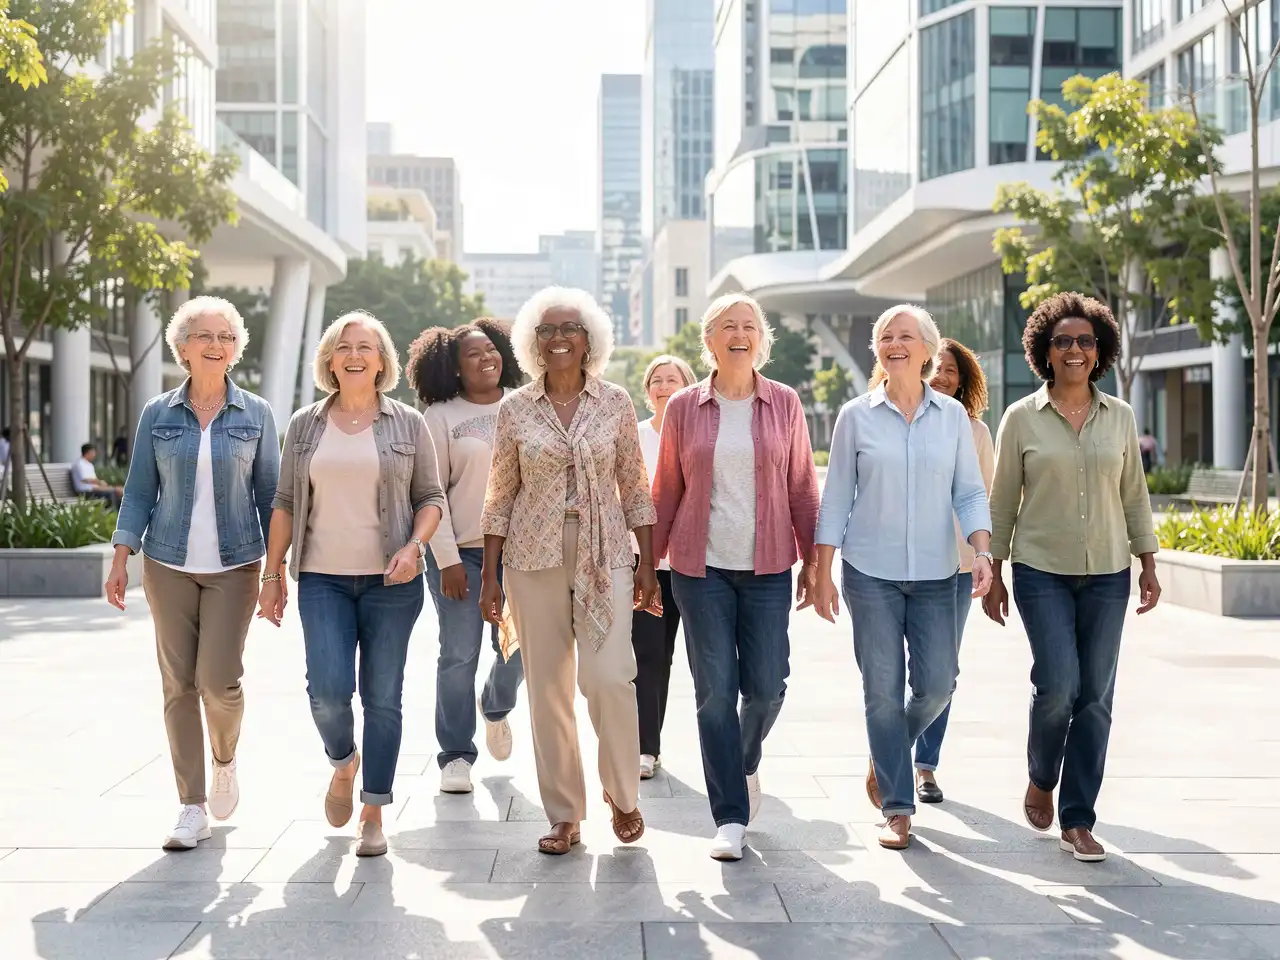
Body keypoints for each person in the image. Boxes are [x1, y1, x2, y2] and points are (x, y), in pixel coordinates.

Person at [479, 285, 659, 857]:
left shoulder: (615, 403)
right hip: (531, 556)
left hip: (605, 552)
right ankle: (564, 814)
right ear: (533, 342)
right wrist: (488, 577)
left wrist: (648, 564)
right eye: (547, 330)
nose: (558, 338)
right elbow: (499, 495)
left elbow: (635, 486)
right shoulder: (514, 409)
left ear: (589, 340)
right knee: (548, 689)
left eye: (570, 329)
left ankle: (622, 794)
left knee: (610, 678)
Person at [258, 310, 445, 859]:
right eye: (344, 347)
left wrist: (415, 547)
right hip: (323, 580)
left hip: (393, 582)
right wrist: (272, 573)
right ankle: (343, 762)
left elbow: (430, 498)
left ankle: (374, 811)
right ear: (330, 360)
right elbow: (285, 501)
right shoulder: (305, 424)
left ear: (382, 361)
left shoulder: (408, 423)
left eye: (365, 346)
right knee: (328, 691)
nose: (355, 355)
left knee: (383, 697)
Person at [982, 291, 1161, 864]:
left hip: (1109, 571)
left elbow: (1134, 494)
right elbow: (1002, 500)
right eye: (1063, 341)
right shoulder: (1020, 418)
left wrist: (1148, 560)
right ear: (1046, 350)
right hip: (1041, 570)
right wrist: (995, 571)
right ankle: (1042, 775)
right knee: (1059, 685)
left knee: (1097, 697)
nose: (1075, 350)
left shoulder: (1121, 416)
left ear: (1100, 349)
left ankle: (1078, 818)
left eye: (1085, 340)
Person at [811, 304, 992, 851]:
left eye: (906, 336)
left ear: (927, 350)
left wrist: (983, 551)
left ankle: (886, 749)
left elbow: (969, 491)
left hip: (938, 572)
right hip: (870, 572)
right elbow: (836, 497)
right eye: (885, 336)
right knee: (882, 690)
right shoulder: (855, 416)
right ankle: (897, 806)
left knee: (938, 684)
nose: (894, 343)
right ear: (877, 350)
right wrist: (822, 570)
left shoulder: (953, 418)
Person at [104, 295, 279, 852]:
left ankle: (224, 758)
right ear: (183, 348)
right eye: (204, 335)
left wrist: (276, 573)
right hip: (167, 563)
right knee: (178, 685)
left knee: (218, 682)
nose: (215, 344)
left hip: (236, 564)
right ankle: (191, 805)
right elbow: (139, 491)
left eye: (226, 336)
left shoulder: (256, 413)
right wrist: (121, 556)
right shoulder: (158, 413)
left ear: (236, 348)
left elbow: (271, 495)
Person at [651, 293, 821, 862]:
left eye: (749, 325)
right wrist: (647, 566)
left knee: (768, 686)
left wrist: (814, 562)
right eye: (728, 325)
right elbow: (665, 490)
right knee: (715, 692)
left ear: (761, 338)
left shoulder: (785, 402)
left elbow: (803, 486)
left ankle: (743, 760)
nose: (739, 333)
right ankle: (728, 815)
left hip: (768, 566)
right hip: (699, 569)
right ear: (709, 340)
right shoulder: (683, 407)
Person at [407, 318, 526, 796]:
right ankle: (456, 754)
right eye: (473, 354)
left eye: (491, 350)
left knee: (520, 649)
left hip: (522, 554)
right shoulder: (439, 416)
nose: (486, 358)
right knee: (459, 653)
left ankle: (495, 705)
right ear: (454, 367)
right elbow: (430, 492)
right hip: (461, 554)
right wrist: (447, 559)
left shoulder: (525, 405)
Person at [909, 338, 995, 804]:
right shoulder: (895, 420)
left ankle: (924, 765)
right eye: (935, 367)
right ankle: (892, 753)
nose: (941, 376)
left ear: (963, 381)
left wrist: (988, 558)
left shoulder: (976, 432)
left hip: (956, 569)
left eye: (951, 370)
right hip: (899, 565)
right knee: (899, 671)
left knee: (942, 672)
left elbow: (985, 497)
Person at [632, 353, 697, 781]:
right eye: (656, 380)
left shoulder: (700, 434)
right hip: (645, 564)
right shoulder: (634, 435)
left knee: (688, 659)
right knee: (649, 655)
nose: (663, 386)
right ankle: (646, 747)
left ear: (688, 387)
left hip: (695, 564)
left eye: (672, 379)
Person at [73, 443, 124, 508]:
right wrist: (99, 482)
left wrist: (102, 485)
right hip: (85, 491)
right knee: (112, 492)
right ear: (88, 452)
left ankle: (120, 511)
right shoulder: (79, 464)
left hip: (93, 489)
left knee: (119, 490)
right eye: (93, 453)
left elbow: (93, 481)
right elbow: (84, 479)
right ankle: (113, 511)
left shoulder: (89, 464)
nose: (94, 455)